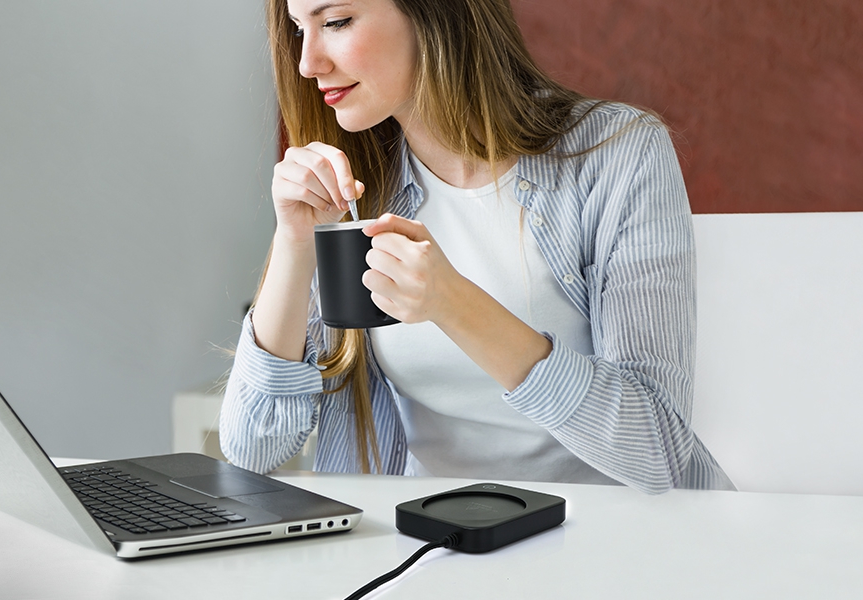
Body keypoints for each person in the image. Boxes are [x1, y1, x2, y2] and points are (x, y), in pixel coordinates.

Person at [220, 0, 735, 493]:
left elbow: (657, 450)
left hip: (617, 542)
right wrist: (293, 241)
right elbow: (252, 449)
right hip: (439, 543)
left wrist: (453, 303)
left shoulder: (618, 154)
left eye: (336, 22)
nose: (308, 62)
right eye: (296, 27)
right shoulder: (356, 188)